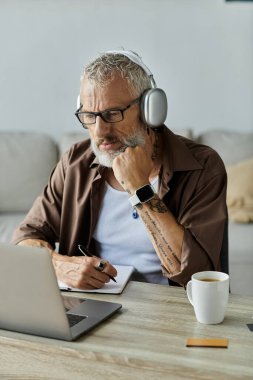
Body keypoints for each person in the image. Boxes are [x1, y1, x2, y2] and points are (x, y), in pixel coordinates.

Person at [12, 49, 227, 290]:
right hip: (94, 306)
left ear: (149, 109)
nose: (100, 131)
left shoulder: (203, 166)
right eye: (89, 115)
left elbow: (196, 275)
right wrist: (60, 265)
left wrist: (139, 188)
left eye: (112, 114)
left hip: (173, 312)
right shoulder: (76, 162)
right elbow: (25, 238)